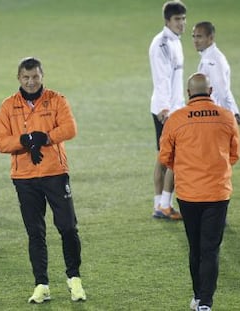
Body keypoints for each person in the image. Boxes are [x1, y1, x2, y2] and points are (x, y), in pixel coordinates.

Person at [0, 57, 86, 304]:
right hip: (24, 178)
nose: (31, 82)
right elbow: (0, 141)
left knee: (68, 227)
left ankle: (74, 279)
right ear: (19, 78)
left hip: (55, 172)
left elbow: (70, 129)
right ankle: (41, 284)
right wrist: (23, 141)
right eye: (26, 77)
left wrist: (45, 137)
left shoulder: (57, 100)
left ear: (42, 75)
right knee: (35, 233)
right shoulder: (7, 106)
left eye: (35, 77)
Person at [159, 73, 239, 311]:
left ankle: (197, 296)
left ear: (188, 92)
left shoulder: (176, 119)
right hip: (217, 194)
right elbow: (234, 154)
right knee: (211, 249)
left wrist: (185, 170)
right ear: (211, 90)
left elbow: (165, 157)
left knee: (195, 248)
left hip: (189, 195)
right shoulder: (226, 118)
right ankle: (205, 303)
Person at [149, 0, 187, 220]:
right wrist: (165, 110)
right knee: (172, 159)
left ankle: (160, 205)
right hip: (167, 111)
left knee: (164, 159)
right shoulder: (163, 44)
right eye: (177, 19)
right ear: (167, 20)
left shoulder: (175, 41)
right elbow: (161, 79)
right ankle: (164, 205)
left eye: (183, 19)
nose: (181, 23)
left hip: (174, 108)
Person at [192, 21, 240, 123]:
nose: (195, 40)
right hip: (212, 115)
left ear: (211, 38)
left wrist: (230, 114)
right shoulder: (208, 56)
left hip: (217, 117)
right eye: (194, 36)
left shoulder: (213, 60)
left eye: (199, 37)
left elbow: (222, 92)